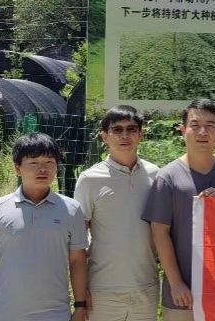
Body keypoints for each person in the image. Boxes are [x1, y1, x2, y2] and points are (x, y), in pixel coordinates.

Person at [142, 98, 215, 321]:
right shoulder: (168, 177)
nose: (202, 132)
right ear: (182, 130)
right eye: (195, 125)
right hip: (184, 294)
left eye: (210, 126)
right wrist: (176, 283)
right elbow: (159, 233)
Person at [0, 133, 89, 321]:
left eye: (49, 162)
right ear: (17, 168)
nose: (42, 169)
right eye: (33, 163)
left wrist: (80, 306)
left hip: (56, 314)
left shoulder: (72, 210)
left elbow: (77, 261)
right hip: (7, 314)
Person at [73, 105, 160, 321]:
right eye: (117, 129)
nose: (124, 135)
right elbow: (77, 241)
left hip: (146, 288)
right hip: (102, 290)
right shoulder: (89, 179)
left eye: (131, 129)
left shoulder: (156, 175)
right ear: (104, 136)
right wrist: (80, 295)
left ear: (140, 135)